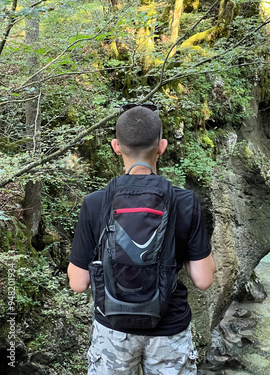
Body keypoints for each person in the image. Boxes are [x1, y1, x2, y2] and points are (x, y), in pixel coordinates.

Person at [67, 104, 216, 374]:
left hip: (113, 330)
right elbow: (203, 280)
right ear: (162, 146)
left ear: (116, 146)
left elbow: (78, 283)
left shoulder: (95, 203)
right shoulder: (185, 202)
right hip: (169, 329)